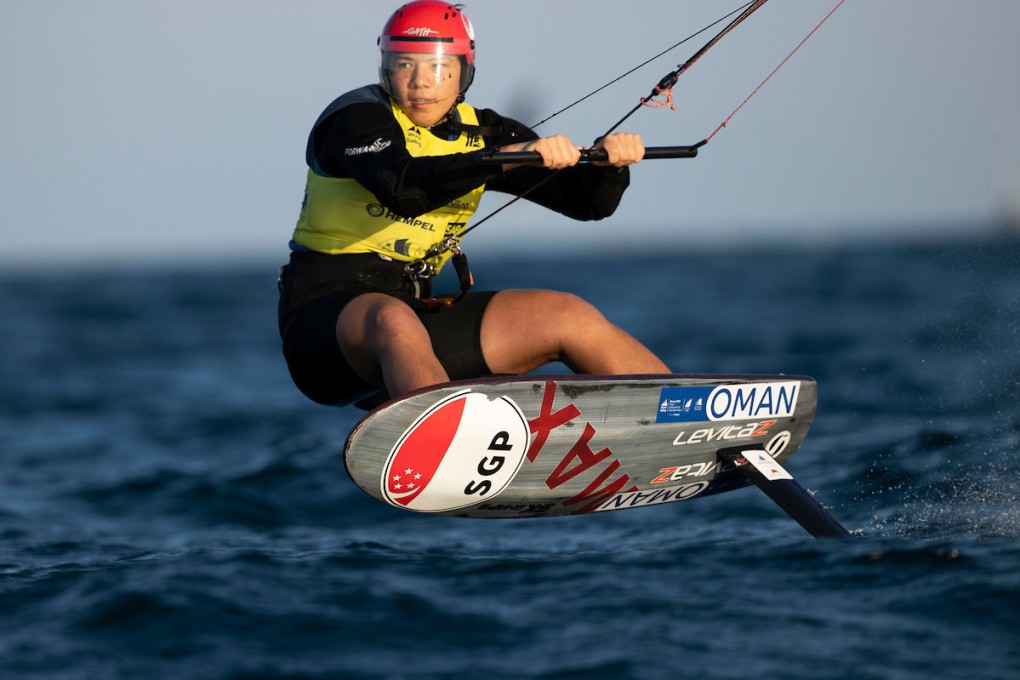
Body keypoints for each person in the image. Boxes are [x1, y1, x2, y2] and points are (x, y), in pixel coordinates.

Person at [278, 0, 669, 408]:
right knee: (392, 320)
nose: (420, 83)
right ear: (386, 68)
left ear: (463, 72)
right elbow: (404, 188)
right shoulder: (356, 120)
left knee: (567, 316)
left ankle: (688, 422)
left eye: (437, 68)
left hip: (416, 327)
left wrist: (612, 165)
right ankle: (448, 443)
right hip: (325, 330)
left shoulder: (485, 132)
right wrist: (501, 161)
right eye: (405, 65)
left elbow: (589, 202)